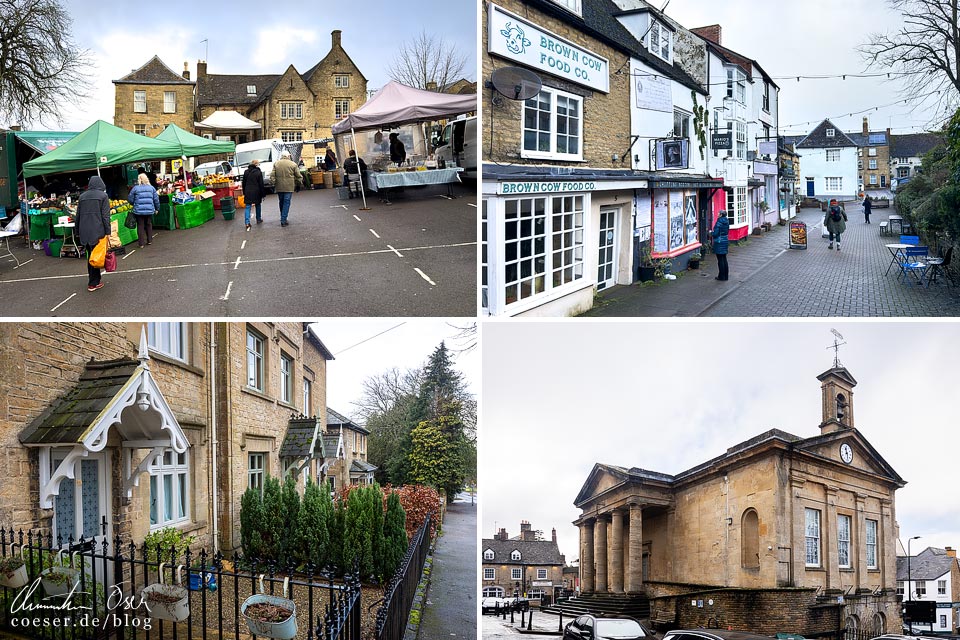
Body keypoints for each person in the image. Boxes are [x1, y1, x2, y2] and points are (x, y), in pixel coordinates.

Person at [76, 175, 111, 292]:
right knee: (96, 256)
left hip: (84, 231)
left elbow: (78, 216)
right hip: (98, 230)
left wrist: (77, 231)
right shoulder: (103, 196)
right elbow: (106, 216)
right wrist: (108, 231)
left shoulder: (82, 197)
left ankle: (94, 281)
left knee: (91, 256)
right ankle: (93, 282)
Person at [269, 150, 302, 227]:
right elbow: (298, 176)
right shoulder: (293, 164)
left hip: (279, 186)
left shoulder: (276, 164)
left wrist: (273, 183)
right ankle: (283, 219)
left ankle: (283, 217)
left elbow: (272, 175)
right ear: (288, 156)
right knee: (287, 202)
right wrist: (298, 184)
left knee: (281, 201)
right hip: (289, 186)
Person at [127, 173, 159, 248]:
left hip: (138, 210)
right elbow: (156, 199)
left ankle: (141, 243)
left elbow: (130, 199)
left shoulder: (135, 188)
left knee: (140, 226)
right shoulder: (151, 188)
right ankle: (149, 240)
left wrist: (133, 203)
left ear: (139, 180)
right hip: (149, 210)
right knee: (148, 224)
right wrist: (157, 208)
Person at [242, 158, 266, 231]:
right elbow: (261, 184)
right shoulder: (258, 172)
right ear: (257, 164)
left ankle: (247, 222)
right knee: (258, 204)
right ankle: (258, 218)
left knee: (248, 207)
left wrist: (244, 192)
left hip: (248, 191)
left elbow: (243, 183)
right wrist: (263, 194)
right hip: (256, 191)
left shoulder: (246, 172)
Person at [711, 210, 730, 281]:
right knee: (724, 259)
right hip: (725, 240)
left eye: (718, 213)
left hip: (719, 242)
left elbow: (715, 233)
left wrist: (711, 233)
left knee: (720, 260)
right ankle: (726, 276)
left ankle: (721, 276)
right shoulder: (727, 221)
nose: (717, 214)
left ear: (721, 215)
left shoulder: (719, 222)